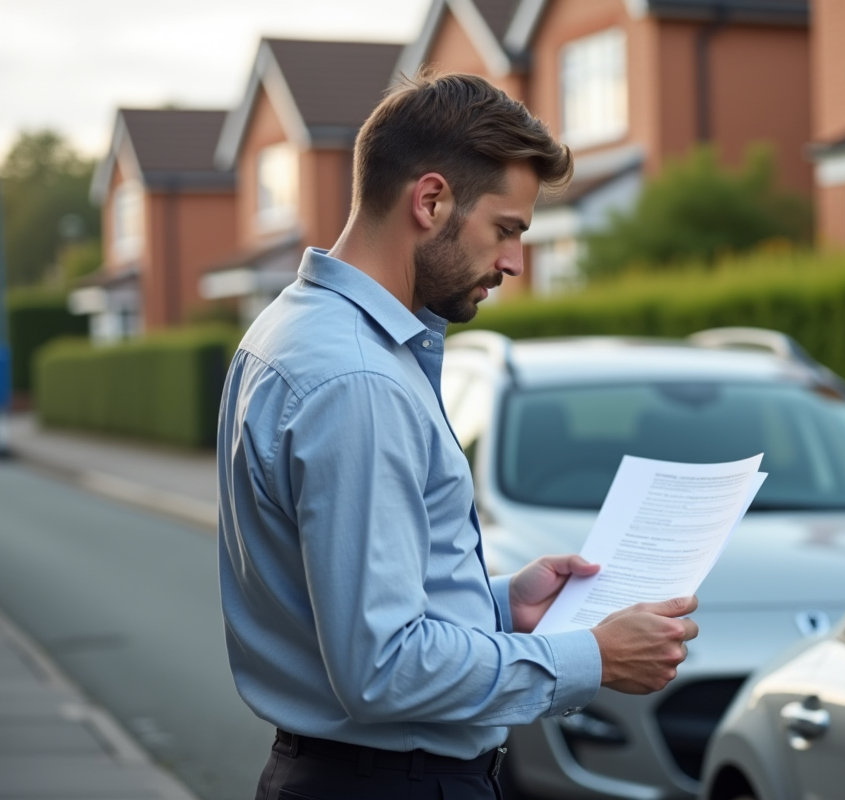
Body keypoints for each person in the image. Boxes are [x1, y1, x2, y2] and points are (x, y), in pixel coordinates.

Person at [216, 70, 698, 800]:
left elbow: (345, 607)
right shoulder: (359, 381)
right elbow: (381, 668)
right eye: (506, 230)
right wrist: (590, 657)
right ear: (431, 200)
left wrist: (501, 603)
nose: (513, 262)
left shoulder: (291, 331)